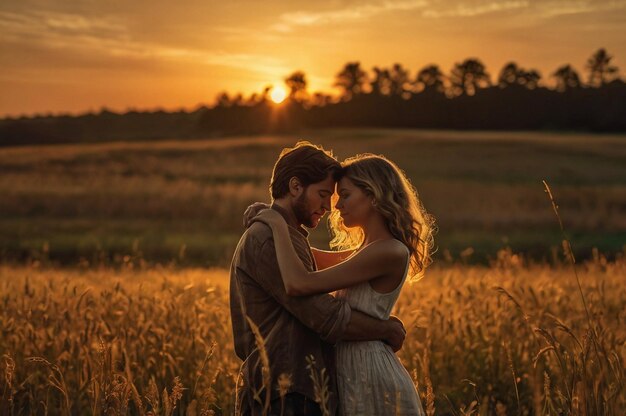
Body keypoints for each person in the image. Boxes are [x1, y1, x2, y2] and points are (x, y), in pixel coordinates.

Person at [230, 142, 408, 416]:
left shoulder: (286, 239)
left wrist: (272, 217)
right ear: (295, 187)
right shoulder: (269, 238)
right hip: (283, 391)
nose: (330, 206)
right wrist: (385, 329)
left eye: (340, 196)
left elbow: (332, 269)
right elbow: (321, 313)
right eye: (324, 194)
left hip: (303, 388)